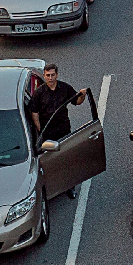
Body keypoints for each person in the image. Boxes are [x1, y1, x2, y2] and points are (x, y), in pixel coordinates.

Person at [29, 65, 88, 195]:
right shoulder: (39, 93)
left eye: (52, 75)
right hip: (48, 132)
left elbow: (77, 101)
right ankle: (54, 186)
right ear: (44, 76)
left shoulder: (65, 88)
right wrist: (41, 130)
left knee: (67, 158)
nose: (50, 78)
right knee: (50, 161)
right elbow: (35, 112)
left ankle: (70, 186)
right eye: (47, 75)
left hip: (63, 129)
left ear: (57, 75)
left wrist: (82, 95)